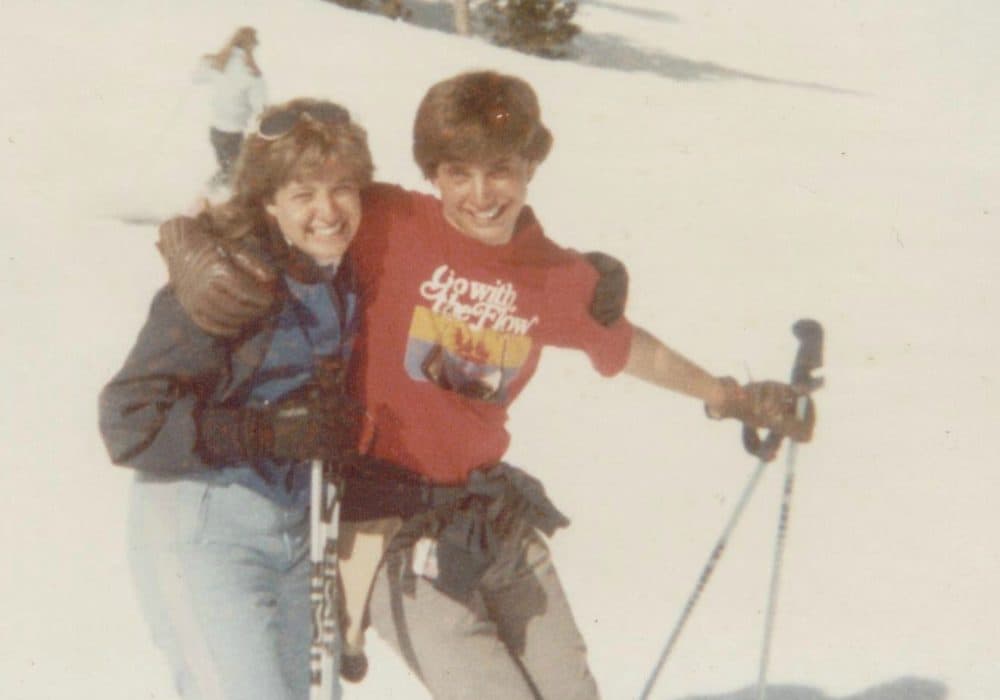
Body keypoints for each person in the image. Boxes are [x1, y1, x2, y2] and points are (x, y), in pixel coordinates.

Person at [156, 71, 813, 699]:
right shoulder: (388, 222)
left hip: (490, 519)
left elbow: (630, 348)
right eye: (456, 173)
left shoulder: (553, 276)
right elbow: (293, 206)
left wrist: (730, 396)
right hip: (384, 527)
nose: (480, 193)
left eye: (500, 169)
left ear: (530, 167)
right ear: (432, 175)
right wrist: (199, 251)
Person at [98, 98, 375, 700]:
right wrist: (263, 433)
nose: (327, 211)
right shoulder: (228, 278)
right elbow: (128, 420)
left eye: (342, 188)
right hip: (205, 526)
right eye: (302, 193)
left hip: (299, 535)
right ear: (267, 201)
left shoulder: (344, 270)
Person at [194, 26, 268, 187]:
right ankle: (214, 195)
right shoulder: (252, 74)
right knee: (234, 172)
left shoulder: (219, 64)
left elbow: (197, 78)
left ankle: (211, 192)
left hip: (216, 130)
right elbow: (260, 107)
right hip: (234, 133)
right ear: (252, 46)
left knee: (227, 169)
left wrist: (205, 61)